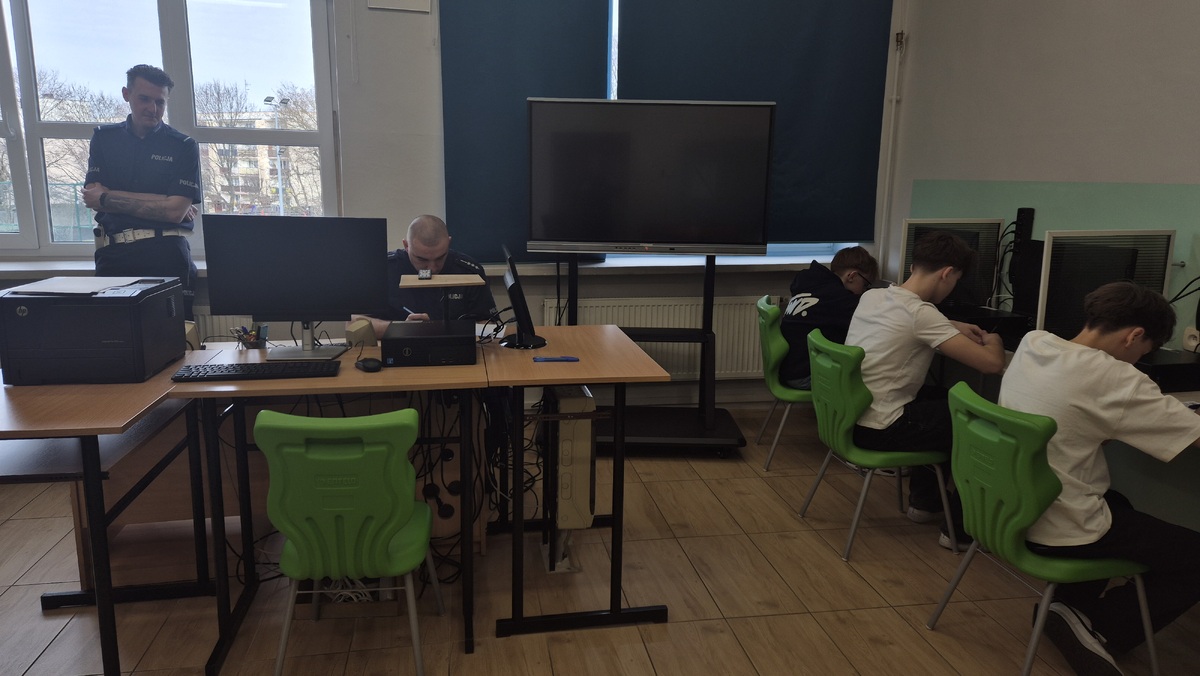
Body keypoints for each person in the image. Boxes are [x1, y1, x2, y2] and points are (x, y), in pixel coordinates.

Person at [998, 281, 1200, 675]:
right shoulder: (1118, 379)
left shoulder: (1034, 343)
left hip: (1009, 508)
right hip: (1056, 528)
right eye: (1144, 351)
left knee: (1118, 503)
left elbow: (1080, 415)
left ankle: (1067, 608)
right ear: (1134, 335)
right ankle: (1101, 629)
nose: (1140, 360)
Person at [845, 231, 1005, 539]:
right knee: (978, 422)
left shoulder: (873, 295)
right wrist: (994, 340)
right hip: (882, 429)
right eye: (956, 280)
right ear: (947, 273)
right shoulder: (921, 315)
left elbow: (909, 320)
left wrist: (950, 325)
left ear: (913, 267)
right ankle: (961, 530)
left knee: (944, 400)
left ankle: (926, 503)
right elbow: (992, 364)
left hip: (854, 417)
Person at [83, 64, 201, 319]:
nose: (153, 108)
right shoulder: (103, 138)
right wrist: (163, 201)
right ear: (126, 94)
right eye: (144, 99)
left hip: (166, 255)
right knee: (112, 336)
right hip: (113, 255)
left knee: (174, 338)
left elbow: (174, 213)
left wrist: (109, 196)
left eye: (160, 102)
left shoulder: (183, 146)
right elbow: (92, 197)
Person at [356, 214, 497, 339]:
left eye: (440, 258)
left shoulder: (469, 271)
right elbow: (354, 322)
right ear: (406, 245)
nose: (432, 268)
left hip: (454, 350)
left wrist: (444, 329)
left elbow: (490, 324)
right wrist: (401, 328)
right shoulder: (382, 269)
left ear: (448, 242)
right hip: (397, 350)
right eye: (422, 259)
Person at [779, 246, 879, 389]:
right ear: (852, 276)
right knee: (869, 376)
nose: (864, 291)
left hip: (790, 368)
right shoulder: (839, 300)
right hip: (804, 375)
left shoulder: (811, 284)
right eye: (865, 285)